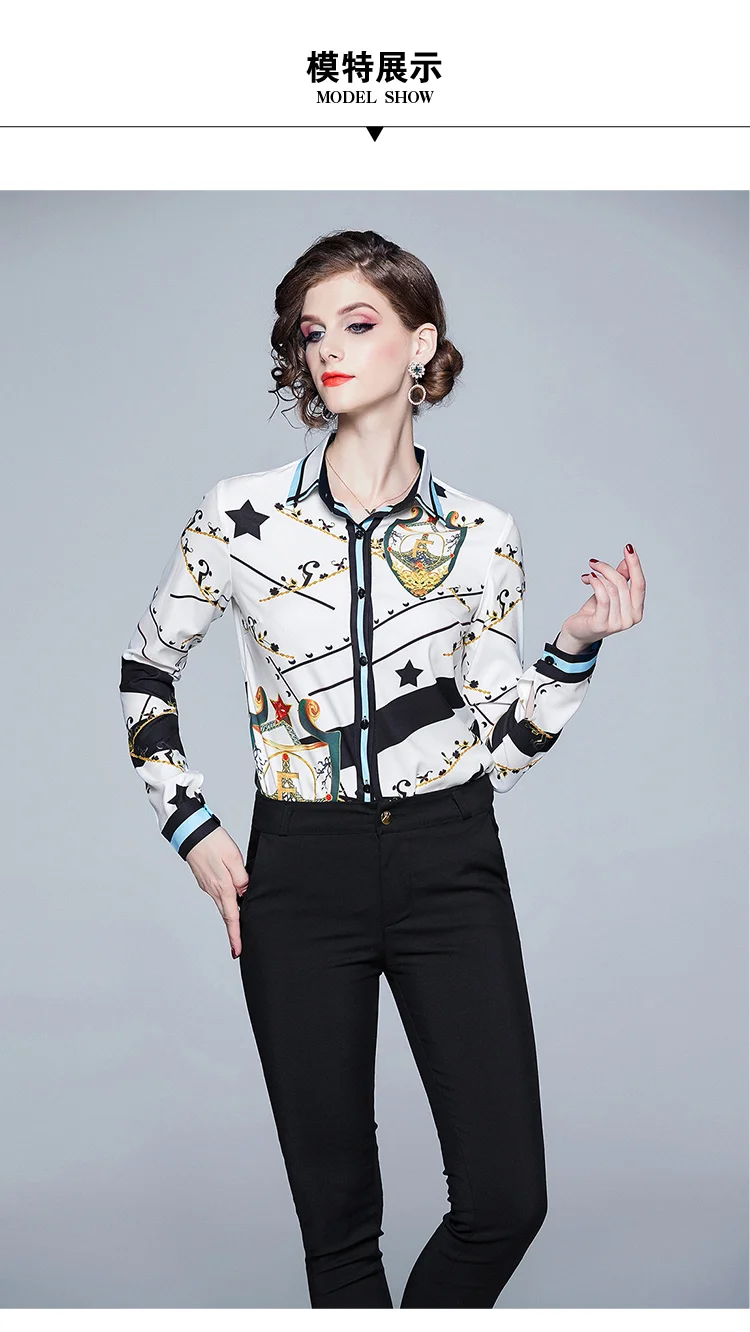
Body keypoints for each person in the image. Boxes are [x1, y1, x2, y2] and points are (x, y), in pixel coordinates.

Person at [119, 228, 646, 1308]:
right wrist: (192, 826)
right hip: (299, 872)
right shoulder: (239, 519)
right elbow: (146, 669)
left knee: (505, 1200)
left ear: (421, 344)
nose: (327, 348)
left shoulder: (484, 535)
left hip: (451, 862)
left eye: (358, 324)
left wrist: (575, 648)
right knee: (339, 1228)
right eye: (311, 331)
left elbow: (497, 753)